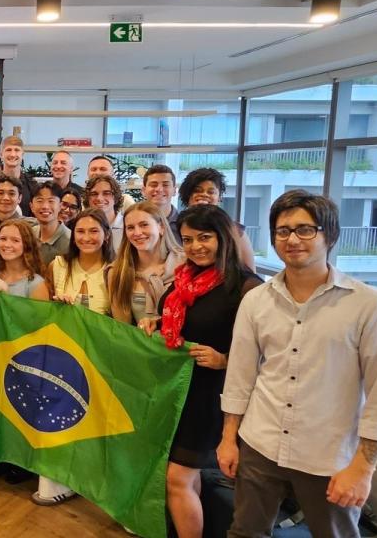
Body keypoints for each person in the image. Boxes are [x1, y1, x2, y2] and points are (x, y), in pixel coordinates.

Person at [220, 191, 377, 538]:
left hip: (328, 453)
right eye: (282, 230)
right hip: (261, 440)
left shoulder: (371, 306)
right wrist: (229, 438)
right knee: (245, 531)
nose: (292, 239)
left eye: (305, 229)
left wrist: (363, 468)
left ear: (329, 236)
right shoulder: (256, 300)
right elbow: (241, 376)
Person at [135, 205, 262, 538]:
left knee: (177, 478)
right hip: (179, 393)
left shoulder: (247, 287)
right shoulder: (184, 280)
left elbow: (269, 351)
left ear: (224, 238)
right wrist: (158, 322)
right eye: (188, 239)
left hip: (215, 398)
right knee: (181, 478)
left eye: (205, 238)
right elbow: (187, 323)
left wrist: (224, 359)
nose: (196, 247)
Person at [35, 207, 115, 506]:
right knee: (57, 417)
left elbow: (121, 318)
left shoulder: (115, 269)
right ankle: (58, 478)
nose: (86, 237)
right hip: (62, 354)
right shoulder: (59, 265)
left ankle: (90, 480)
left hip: (99, 355)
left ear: (106, 234)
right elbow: (45, 309)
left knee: (93, 421)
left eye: (94, 231)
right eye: (80, 231)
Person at [107, 201, 184, 325]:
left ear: (161, 228)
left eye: (144, 225)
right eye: (130, 227)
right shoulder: (118, 271)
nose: (137, 233)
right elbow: (123, 328)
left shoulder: (185, 265)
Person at [177, 167, 256, 271]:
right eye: (197, 190)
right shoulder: (178, 225)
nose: (204, 194)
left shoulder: (234, 230)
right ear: (187, 195)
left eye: (211, 192)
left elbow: (250, 271)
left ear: (219, 197)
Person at [0, 219, 50, 300]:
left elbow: (38, 313)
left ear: (27, 244)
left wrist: (5, 292)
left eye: (15, 240)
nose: (7, 245)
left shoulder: (36, 284)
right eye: (3, 239)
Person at [31, 181, 71, 266]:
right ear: (31, 207)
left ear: (60, 206)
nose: (45, 206)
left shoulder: (71, 240)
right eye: (40, 200)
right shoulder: (29, 234)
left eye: (51, 201)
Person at [0, 135, 37, 216]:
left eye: (17, 150)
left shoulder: (32, 185)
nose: (12, 154)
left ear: (22, 154)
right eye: (8, 150)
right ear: (1, 154)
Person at [86, 175, 125, 247]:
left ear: (115, 197)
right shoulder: (82, 226)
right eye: (94, 194)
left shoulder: (127, 225)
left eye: (106, 193)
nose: (99, 198)